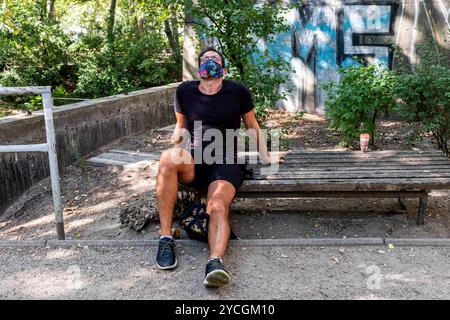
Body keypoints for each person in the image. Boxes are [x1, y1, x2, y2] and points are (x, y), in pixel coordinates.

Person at [155, 47, 281, 287]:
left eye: (214, 59)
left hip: (226, 162)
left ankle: (215, 263)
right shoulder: (184, 91)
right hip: (195, 160)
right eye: (204, 59)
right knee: (167, 158)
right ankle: (165, 239)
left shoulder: (237, 91)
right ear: (198, 68)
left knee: (218, 205)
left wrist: (265, 157)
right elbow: (180, 127)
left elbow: (252, 125)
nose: (209, 62)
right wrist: (176, 147)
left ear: (223, 69)